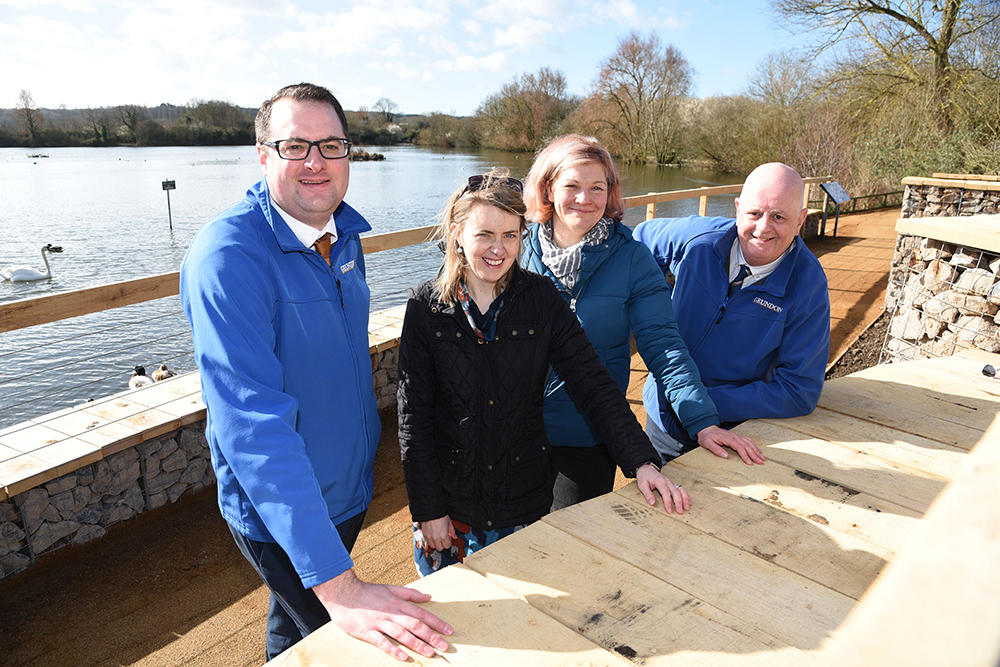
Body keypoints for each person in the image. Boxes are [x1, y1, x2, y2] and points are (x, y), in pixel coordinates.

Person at [180, 83, 451, 662]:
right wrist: (340, 584)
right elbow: (253, 427)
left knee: (293, 627)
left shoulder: (342, 232)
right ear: (262, 155)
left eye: (331, 146)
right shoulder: (228, 258)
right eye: (294, 146)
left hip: (347, 488)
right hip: (282, 511)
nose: (315, 163)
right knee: (345, 642)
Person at [397, 169, 690, 577]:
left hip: (525, 504)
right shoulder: (425, 307)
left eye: (511, 236)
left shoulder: (542, 300)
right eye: (484, 234)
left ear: (523, 235)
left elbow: (593, 384)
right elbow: (414, 420)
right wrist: (429, 510)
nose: (498, 249)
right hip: (450, 512)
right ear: (456, 233)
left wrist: (642, 462)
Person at [520, 135, 762, 510]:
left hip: (587, 438)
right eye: (572, 186)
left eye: (597, 188)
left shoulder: (632, 259)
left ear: (610, 192)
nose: (584, 199)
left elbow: (664, 345)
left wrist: (702, 421)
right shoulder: (513, 250)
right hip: (513, 434)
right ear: (548, 188)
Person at [633, 162, 831, 464]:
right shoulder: (698, 240)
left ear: (800, 220)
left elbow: (798, 390)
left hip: (729, 434)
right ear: (737, 208)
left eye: (779, 216)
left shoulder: (807, 285)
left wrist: (700, 404)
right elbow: (639, 239)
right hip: (661, 417)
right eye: (754, 213)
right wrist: (649, 305)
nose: (763, 228)